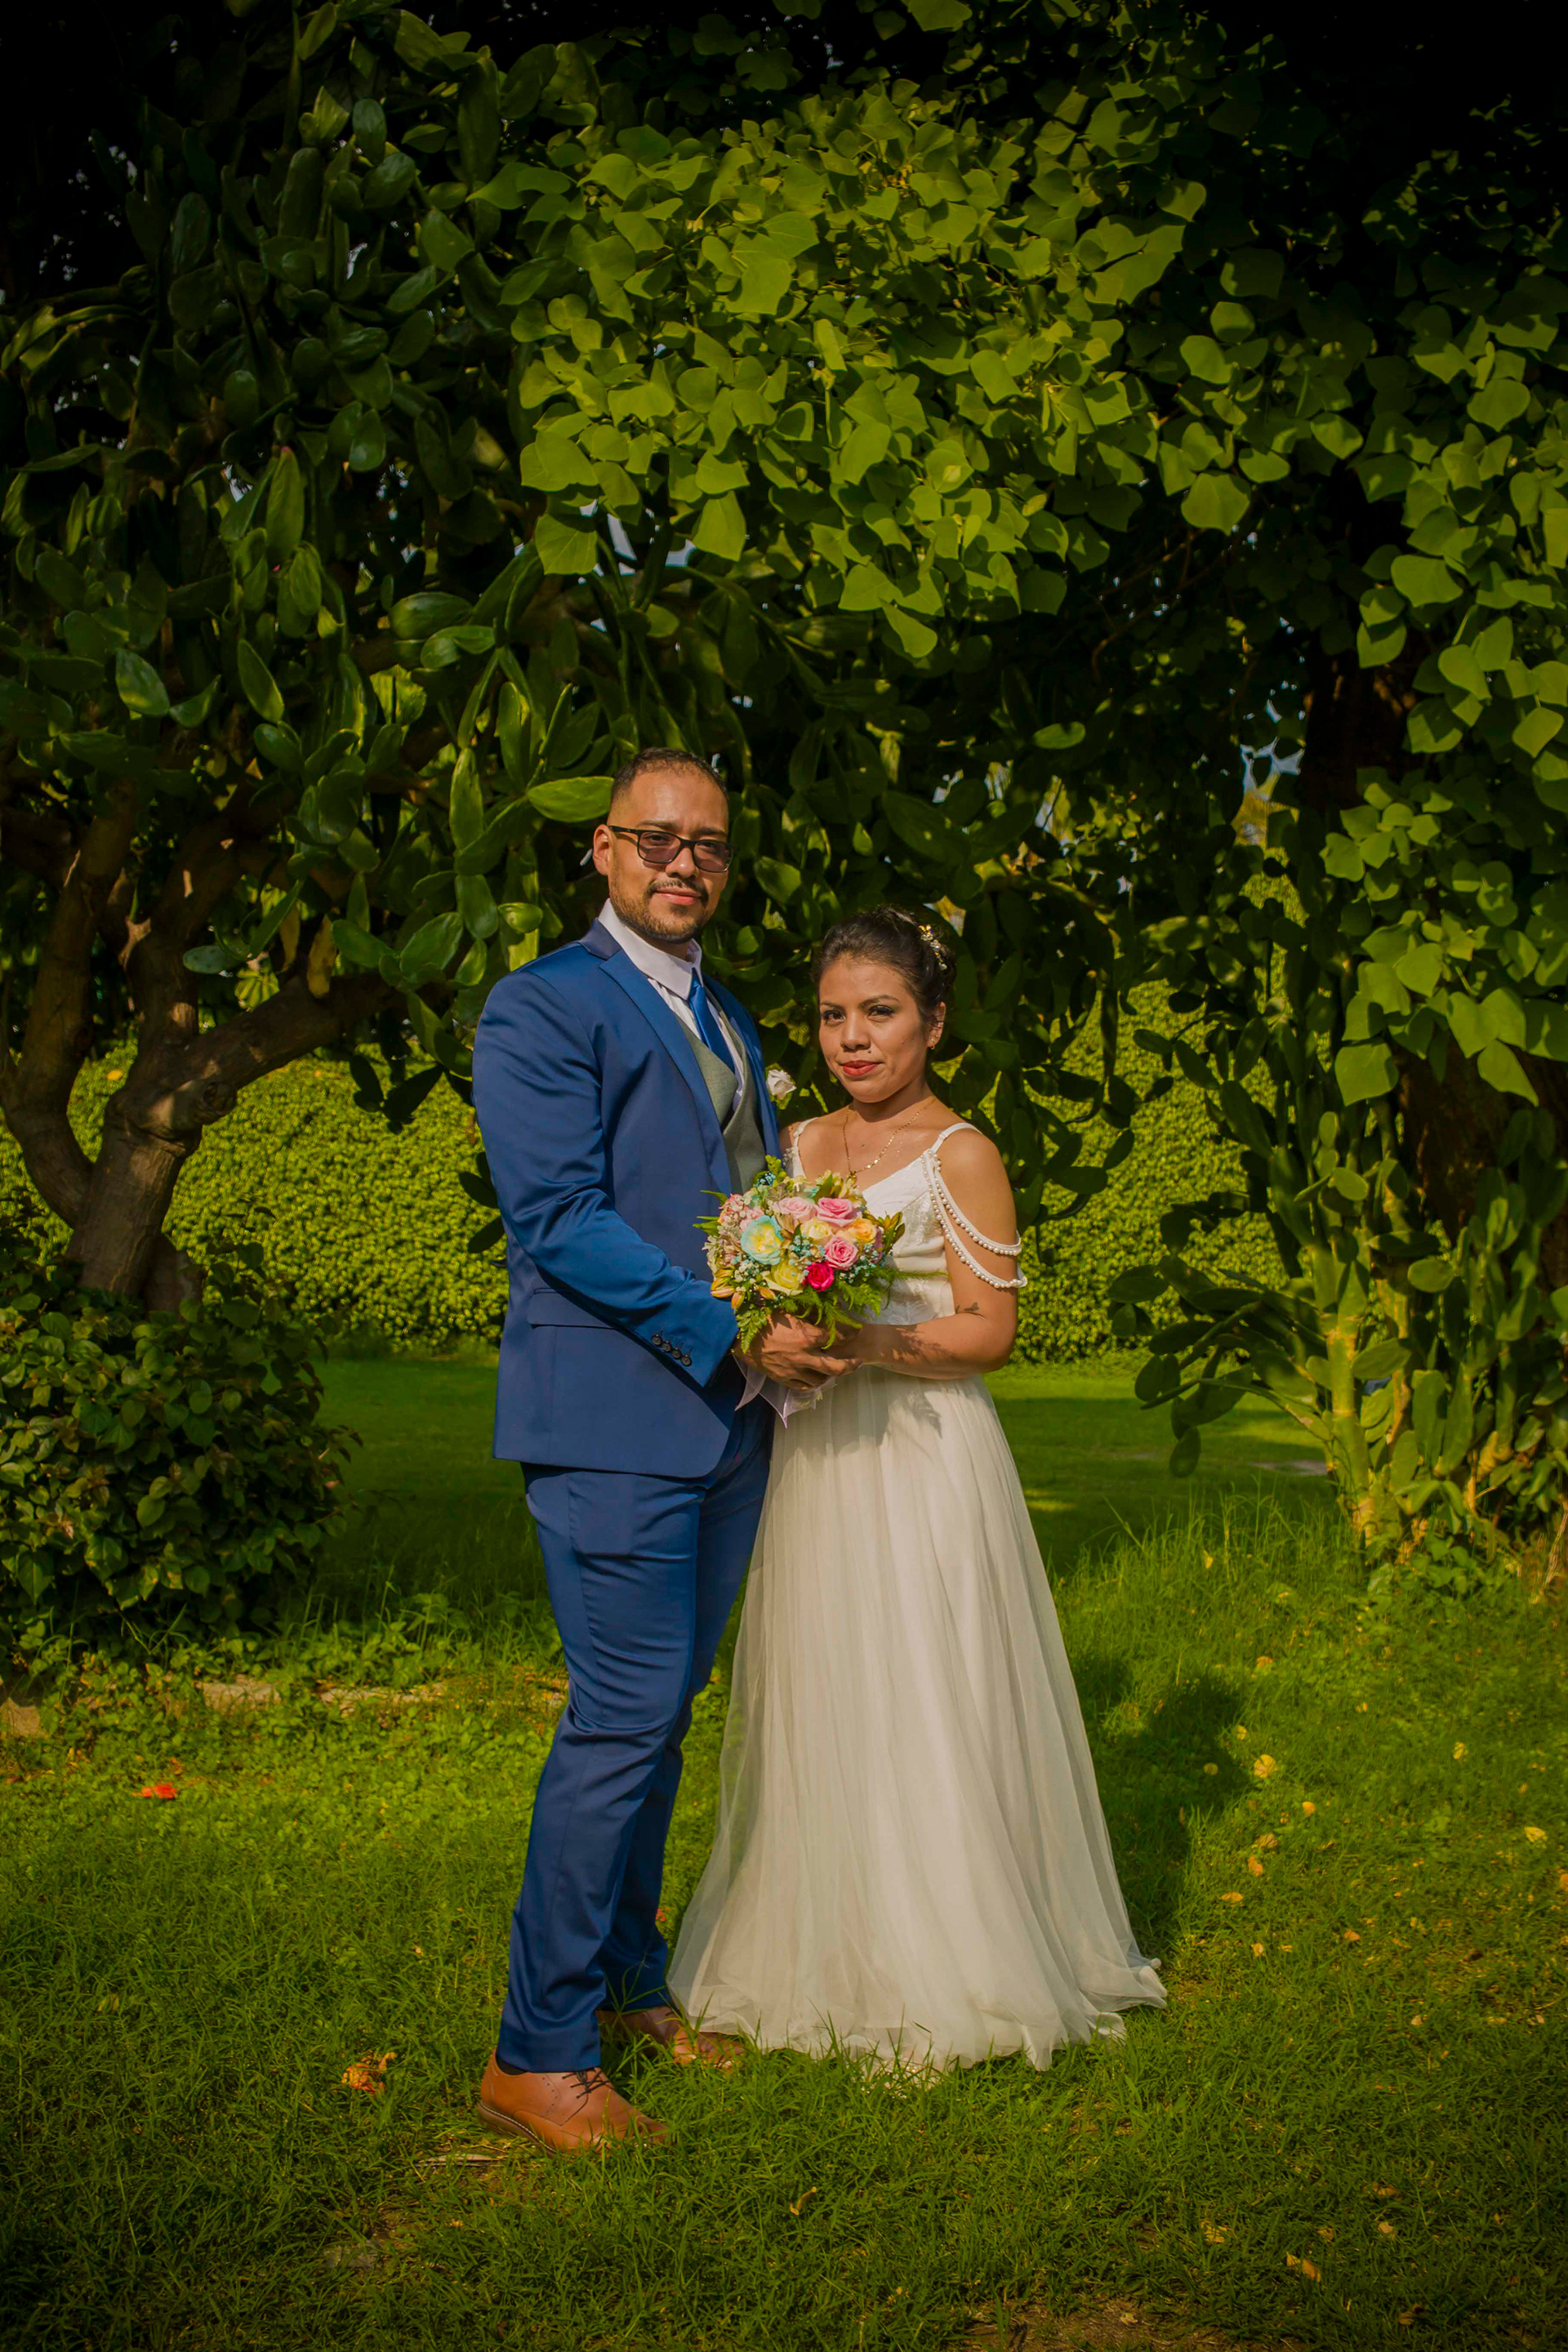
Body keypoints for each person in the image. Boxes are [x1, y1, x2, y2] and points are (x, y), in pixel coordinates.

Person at [670, 907, 1165, 2069]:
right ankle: (821, 1938)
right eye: (833, 1015)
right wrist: (769, 1326)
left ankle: (949, 1951)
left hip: (926, 1450)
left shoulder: (962, 1156)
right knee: (825, 1680)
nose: (853, 1038)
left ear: (933, 1023)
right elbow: (751, 1282)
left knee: (928, 1682)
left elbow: (990, 1331)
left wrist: (870, 1344)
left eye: (880, 1012)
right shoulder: (797, 1147)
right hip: (816, 1460)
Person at [470, 746, 850, 2154]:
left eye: (711, 845)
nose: (687, 862)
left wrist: (798, 1300)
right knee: (621, 1717)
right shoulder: (540, 1004)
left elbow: (740, 1198)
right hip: (611, 1422)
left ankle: (630, 1984)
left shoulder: (727, 1010)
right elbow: (558, 1220)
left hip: (727, 1419)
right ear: (603, 848)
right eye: (659, 838)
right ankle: (536, 2054)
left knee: (664, 1714)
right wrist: (733, 1327)